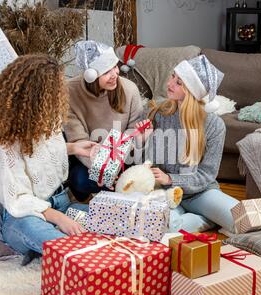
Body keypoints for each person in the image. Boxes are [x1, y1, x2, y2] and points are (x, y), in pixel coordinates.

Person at [0, 54, 96, 259]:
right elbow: (18, 199)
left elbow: (42, 154)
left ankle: (56, 246)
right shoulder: (6, 143)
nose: (62, 95)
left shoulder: (46, 122)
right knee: (70, 249)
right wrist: (60, 219)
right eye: (56, 90)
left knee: (109, 221)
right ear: (37, 96)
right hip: (24, 217)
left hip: (61, 203)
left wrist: (74, 148)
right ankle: (62, 251)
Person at [136, 55, 239, 233]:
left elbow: (207, 175)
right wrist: (142, 142)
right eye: (172, 76)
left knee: (243, 219)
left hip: (201, 192)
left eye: (179, 82)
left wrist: (171, 178)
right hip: (165, 193)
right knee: (162, 225)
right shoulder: (157, 113)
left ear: (192, 90)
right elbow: (143, 166)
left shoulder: (214, 125)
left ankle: (202, 217)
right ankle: (208, 220)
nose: (170, 83)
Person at [65, 40, 143, 201]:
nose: (115, 74)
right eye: (107, 71)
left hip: (121, 156)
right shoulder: (69, 92)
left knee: (134, 179)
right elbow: (78, 140)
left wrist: (111, 168)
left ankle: (114, 191)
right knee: (79, 180)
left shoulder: (129, 89)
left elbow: (133, 130)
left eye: (115, 66)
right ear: (91, 76)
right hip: (88, 159)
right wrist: (102, 170)